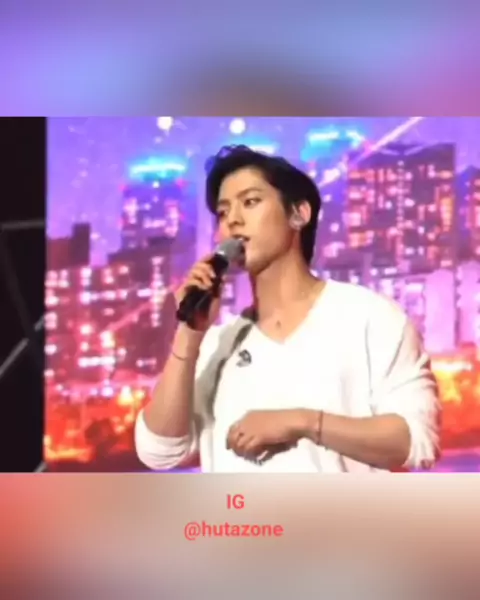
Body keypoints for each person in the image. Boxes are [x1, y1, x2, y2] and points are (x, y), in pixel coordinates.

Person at [134, 145, 441, 473]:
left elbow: (417, 442)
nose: (233, 220)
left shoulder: (372, 318)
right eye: (223, 212)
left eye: (250, 202)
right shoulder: (214, 344)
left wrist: (302, 422)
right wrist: (189, 335)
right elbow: (159, 452)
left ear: (299, 214)